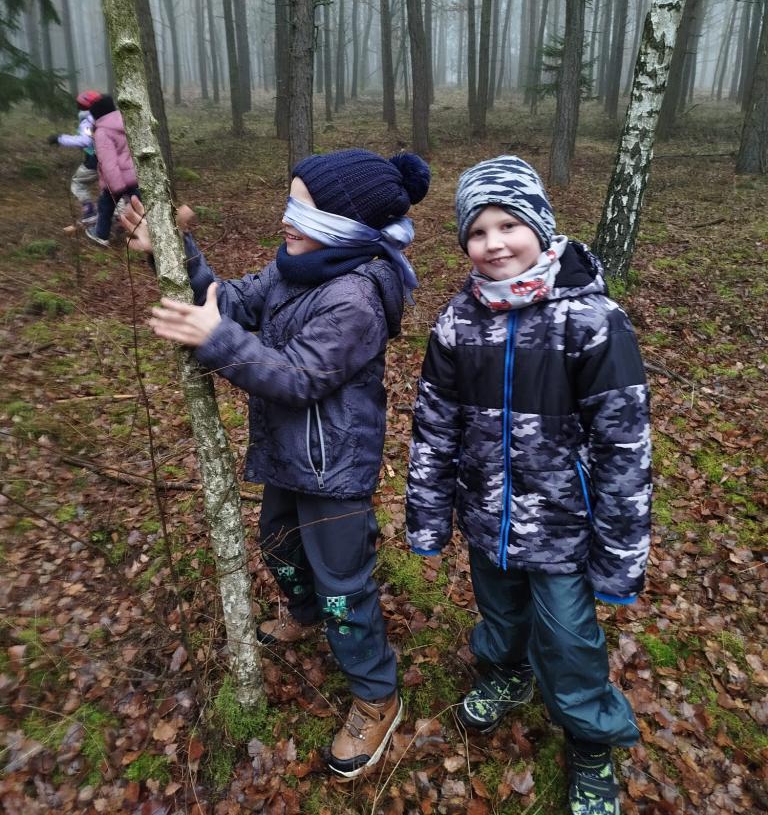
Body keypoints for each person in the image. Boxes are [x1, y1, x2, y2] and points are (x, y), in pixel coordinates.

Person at [122, 149, 431, 780]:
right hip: (288, 456)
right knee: (278, 543)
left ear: (345, 225)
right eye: (289, 204)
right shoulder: (294, 268)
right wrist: (175, 253)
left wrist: (215, 341)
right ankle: (304, 612)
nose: (286, 220)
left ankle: (376, 695)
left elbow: (297, 377)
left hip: (334, 470)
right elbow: (230, 301)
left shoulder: (356, 297)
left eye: (303, 210)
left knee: (343, 585)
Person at [406, 156, 651, 815]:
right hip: (487, 515)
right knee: (502, 613)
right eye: (477, 231)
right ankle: (508, 673)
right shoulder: (458, 323)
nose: (493, 243)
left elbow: (624, 447)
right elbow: (434, 429)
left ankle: (591, 741)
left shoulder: (593, 321)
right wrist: (427, 517)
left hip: (564, 527)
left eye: (508, 224)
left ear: (540, 227)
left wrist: (620, 553)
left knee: (569, 640)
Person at [84, 94, 139, 247]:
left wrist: (116, 186)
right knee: (139, 206)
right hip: (135, 175)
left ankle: (101, 234)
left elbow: (108, 162)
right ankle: (146, 233)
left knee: (105, 206)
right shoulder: (125, 122)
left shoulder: (102, 132)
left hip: (117, 178)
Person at [48, 89, 102, 225]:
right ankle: (121, 217)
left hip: (96, 160)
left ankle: (89, 211)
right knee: (114, 188)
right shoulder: (107, 116)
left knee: (78, 183)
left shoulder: (88, 121)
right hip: (113, 159)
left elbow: (86, 141)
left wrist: (60, 138)